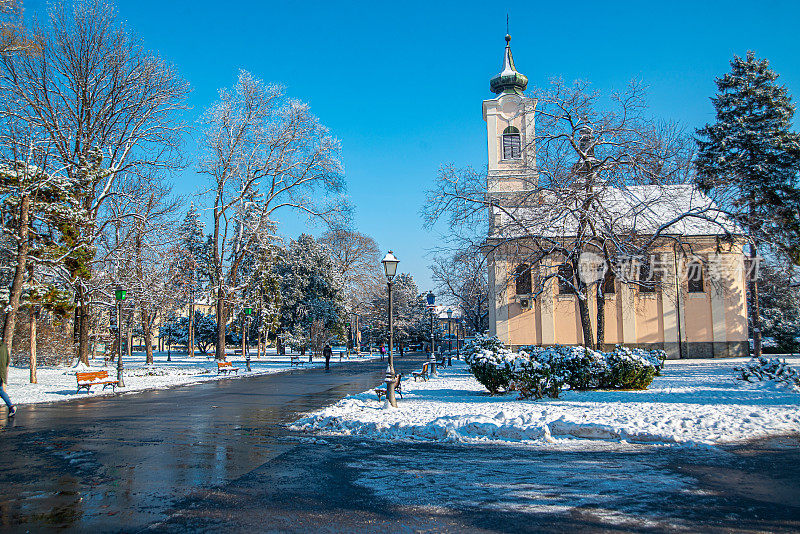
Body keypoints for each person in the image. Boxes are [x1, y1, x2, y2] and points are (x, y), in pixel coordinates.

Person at [0, 342, 16, 417]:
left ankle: (11, 406)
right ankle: (11, 407)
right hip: (2, 373)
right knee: (0, 390)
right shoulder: (3, 346)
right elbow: (7, 360)